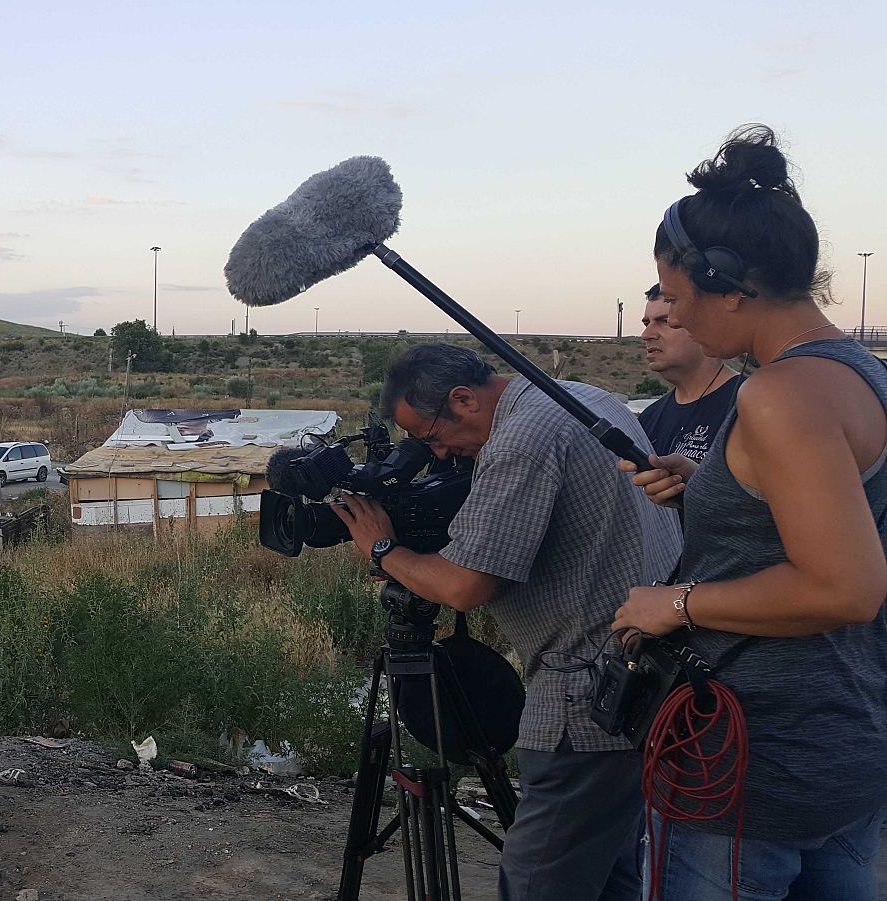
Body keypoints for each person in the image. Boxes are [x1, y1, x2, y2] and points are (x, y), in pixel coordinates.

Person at [615, 125, 887, 899]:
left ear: (728, 284)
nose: (675, 314)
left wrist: (672, 603)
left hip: (747, 765)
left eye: (674, 293)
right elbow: (840, 507)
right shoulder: (858, 371)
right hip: (846, 743)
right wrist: (714, 479)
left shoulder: (778, 394)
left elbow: (844, 586)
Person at [332, 343, 680, 901]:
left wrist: (382, 549)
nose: (438, 455)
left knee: (539, 882)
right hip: (645, 684)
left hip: (586, 698)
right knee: (609, 876)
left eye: (430, 436)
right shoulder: (588, 398)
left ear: (464, 399)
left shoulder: (522, 438)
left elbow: (463, 586)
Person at [636, 283, 745, 462]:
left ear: (705, 325)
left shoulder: (748, 405)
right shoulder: (649, 418)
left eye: (664, 321)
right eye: (647, 323)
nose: (646, 334)